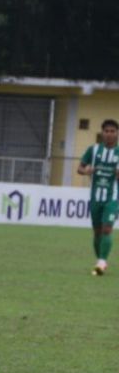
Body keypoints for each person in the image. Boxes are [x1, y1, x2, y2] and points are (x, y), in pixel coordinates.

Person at [77, 118, 119, 276]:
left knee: (107, 228)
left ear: (117, 134)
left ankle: (101, 262)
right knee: (97, 232)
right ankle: (100, 260)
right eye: (106, 131)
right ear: (102, 133)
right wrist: (86, 171)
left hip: (112, 197)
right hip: (95, 197)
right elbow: (80, 168)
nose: (109, 134)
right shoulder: (93, 150)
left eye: (112, 131)